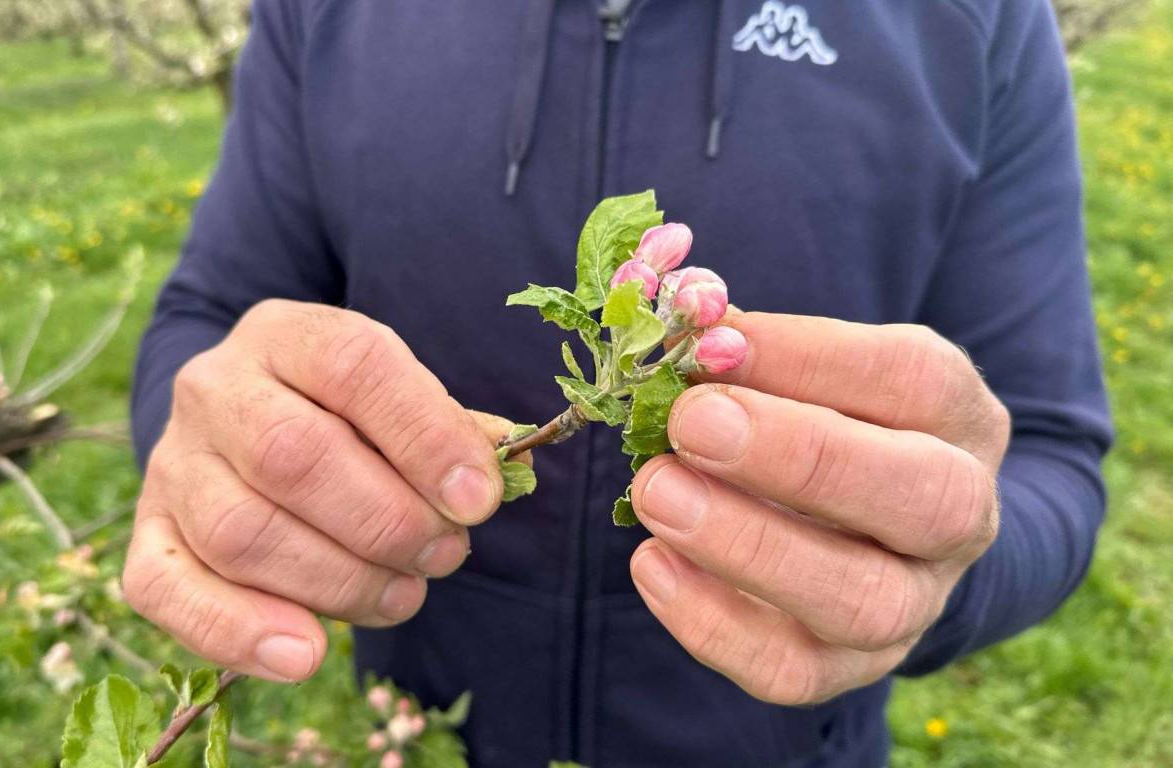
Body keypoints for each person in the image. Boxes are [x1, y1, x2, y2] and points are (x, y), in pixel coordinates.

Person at [125, 0, 1112, 765]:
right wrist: (220, 438)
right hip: (415, 731)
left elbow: (1049, 454)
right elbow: (207, 319)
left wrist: (938, 571)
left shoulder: (974, 20)